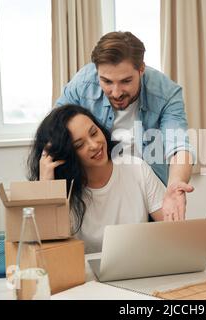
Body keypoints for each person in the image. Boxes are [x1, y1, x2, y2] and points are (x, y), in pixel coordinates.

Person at [56, 31, 194, 222]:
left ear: (141, 69)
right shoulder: (83, 84)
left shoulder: (166, 93)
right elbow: (56, 130)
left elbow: (178, 144)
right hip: (94, 192)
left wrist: (176, 183)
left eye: (126, 81)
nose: (116, 92)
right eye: (106, 81)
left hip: (147, 192)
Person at [27, 104, 165, 253]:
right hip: (85, 274)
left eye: (93, 133)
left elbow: (172, 227)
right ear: (64, 155)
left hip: (140, 268)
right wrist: (46, 185)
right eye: (79, 145)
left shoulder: (137, 168)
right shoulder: (64, 191)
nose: (94, 145)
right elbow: (48, 252)